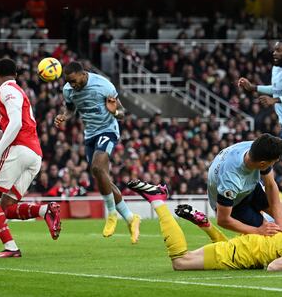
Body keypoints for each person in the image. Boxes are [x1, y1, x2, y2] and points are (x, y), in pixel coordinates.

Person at [0, 58, 61, 258]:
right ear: (16, 74)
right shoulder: (19, 92)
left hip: (20, 150)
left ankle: (11, 248)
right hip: (33, 155)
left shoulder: (7, 90)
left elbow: (15, 126)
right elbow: (10, 130)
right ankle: (45, 211)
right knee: (6, 206)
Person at [54, 61, 140, 244]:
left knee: (97, 168)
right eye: (69, 82)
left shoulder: (103, 85)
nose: (72, 85)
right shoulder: (68, 90)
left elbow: (123, 112)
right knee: (101, 177)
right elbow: (70, 109)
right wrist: (64, 116)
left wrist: (114, 111)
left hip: (108, 130)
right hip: (90, 134)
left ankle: (111, 214)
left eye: (74, 81)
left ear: (83, 74)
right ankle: (131, 218)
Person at [127, 179, 282, 271]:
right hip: (245, 253)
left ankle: (206, 225)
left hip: (255, 241)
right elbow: (273, 267)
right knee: (180, 262)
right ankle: (157, 201)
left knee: (227, 245)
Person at [206, 133, 282, 235]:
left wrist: (280, 223)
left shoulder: (257, 148)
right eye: (273, 162)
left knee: (278, 222)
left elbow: (270, 185)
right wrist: (258, 231)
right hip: (235, 205)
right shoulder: (230, 180)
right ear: (262, 164)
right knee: (268, 233)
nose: (274, 164)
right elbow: (223, 220)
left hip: (250, 187)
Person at [238, 41, 282, 126]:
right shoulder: (276, 68)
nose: (274, 53)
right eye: (274, 50)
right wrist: (253, 87)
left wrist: (274, 100)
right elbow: (276, 89)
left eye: (278, 50)